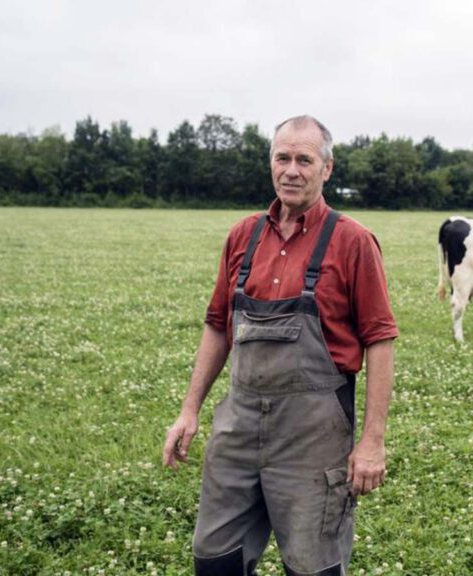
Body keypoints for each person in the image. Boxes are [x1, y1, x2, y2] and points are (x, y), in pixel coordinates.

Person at [162, 115, 398, 576]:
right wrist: (190, 410)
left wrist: (372, 442)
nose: (292, 170)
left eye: (304, 159)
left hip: (313, 436)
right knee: (215, 561)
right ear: (271, 163)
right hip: (238, 426)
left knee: (313, 568)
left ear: (326, 168)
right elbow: (217, 325)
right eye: (282, 158)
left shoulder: (352, 241)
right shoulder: (243, 236)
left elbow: (380, 340)